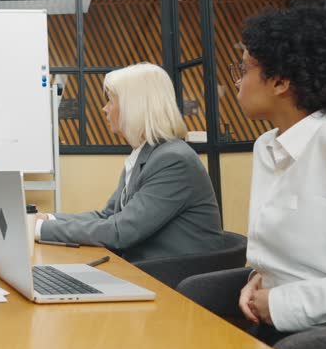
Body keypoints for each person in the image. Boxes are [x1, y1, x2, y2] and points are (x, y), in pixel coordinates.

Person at [181, 6, 326, 346]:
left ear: (281, 81)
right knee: (188, 299)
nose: (237, 81)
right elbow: (290, 253)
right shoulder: (267, 146)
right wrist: (259, 277)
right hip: (277, 313)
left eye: (244, 69)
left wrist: (285, 302)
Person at [37, 63, 223, 261]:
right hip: (147, 270)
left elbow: (120, 231)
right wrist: (48, 219)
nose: (104, 109)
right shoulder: (145, 155)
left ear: (133, 106)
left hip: (171, 280)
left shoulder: (174, 160)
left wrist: (40, 229)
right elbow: (108, 216)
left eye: (110, 101)